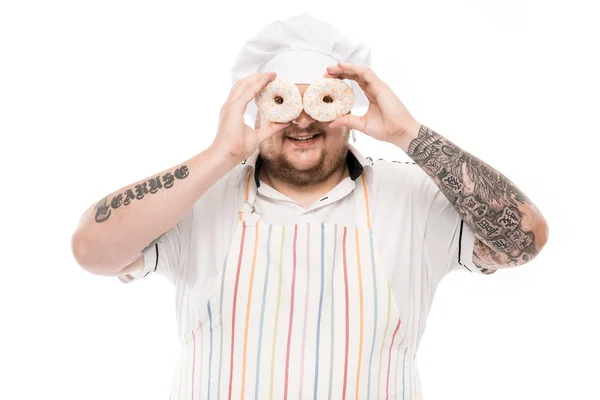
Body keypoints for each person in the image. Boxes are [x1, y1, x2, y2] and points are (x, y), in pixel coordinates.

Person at [71, 13, 549, 399]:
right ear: (258, 109)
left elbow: (524, 239)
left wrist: (410, 135)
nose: (301, 119)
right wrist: (220, 155)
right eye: (282, 101)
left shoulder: (413, 198)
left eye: (321, 101)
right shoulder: (197, 202)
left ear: (350, 110)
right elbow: (93, 251)